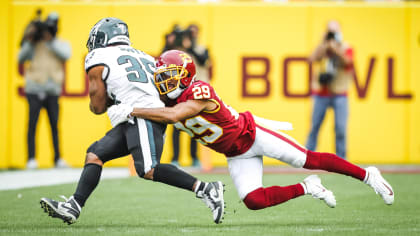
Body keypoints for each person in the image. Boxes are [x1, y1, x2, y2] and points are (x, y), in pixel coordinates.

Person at [108, 50, 394, 212]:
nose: (164, 83)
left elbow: (175, 115)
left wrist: (132, 110)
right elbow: (156, 103)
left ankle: (369, 175)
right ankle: (309, 187)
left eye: (169, 76)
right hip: (235, 154)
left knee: (309, 158)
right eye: (162, 78)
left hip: (253, 133)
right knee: (254, 201)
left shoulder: (198, 89)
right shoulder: (163, 99)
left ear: (185, 75)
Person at [39, 18, 225, 225]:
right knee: (95, 154)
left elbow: (98, 107)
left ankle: (207, 189)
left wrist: (112, 102)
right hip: (138, 113)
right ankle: (74, 205)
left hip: (143, 115)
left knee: (147, 169)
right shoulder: (145, 56)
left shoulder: (97, 57)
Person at [18, 11, 71, 169]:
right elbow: (21, 58)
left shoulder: (60, 43)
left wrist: (50, 40)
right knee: (32, 124)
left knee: (54, 125)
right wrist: (30, 39)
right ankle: (31, 158)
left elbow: (66, 55)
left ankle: (57, 158)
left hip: (52, 90)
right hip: (34, 88)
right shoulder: (34, 44)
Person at [306, 20, 354, 159]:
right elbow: (311, 59)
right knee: (314, 127)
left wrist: (335, 49)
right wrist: (323, 44)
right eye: (330, 31)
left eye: (335, 32)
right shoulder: (322, 47)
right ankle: (306, 158)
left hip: (340, 93)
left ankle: (341, 159)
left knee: (340, 128)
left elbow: (348, 62)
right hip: (321, 94)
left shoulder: (345, 47)